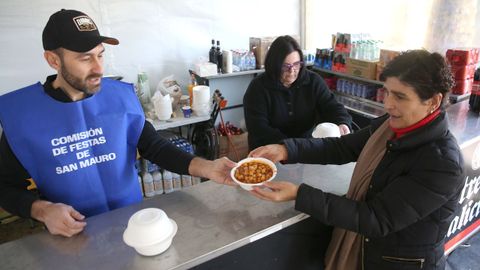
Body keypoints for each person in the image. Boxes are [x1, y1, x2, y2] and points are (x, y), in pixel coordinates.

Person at [0, 9, 235, 238]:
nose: (99, 68)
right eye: (85, 58)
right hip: (71, 236)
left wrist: (208, 167)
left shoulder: (119, 98)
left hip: (132, 226)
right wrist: (43, 211)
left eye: (100, 54)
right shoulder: (23, 116)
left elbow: (155, 146)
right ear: (53, 60)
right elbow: (5, 186)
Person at [248, 50, 464, 269]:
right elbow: (342, 147)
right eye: (387, 92)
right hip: (368, 251)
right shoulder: (389, 127)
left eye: (400, 96)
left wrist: (299, 194)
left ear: (433, 101)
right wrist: (286, 150)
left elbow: (376, 218)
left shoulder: (442, 164)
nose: (388, 104)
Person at [243, 35, 352, 150]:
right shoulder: (258, 88)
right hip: (269, 149)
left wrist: (343, 122)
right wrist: (290, 148)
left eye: (296, 64)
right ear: (274, 65)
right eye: (286, 66)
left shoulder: (313, 81)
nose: (292, 71)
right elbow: (259, 129)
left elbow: (332, 106)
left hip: (305, 148)